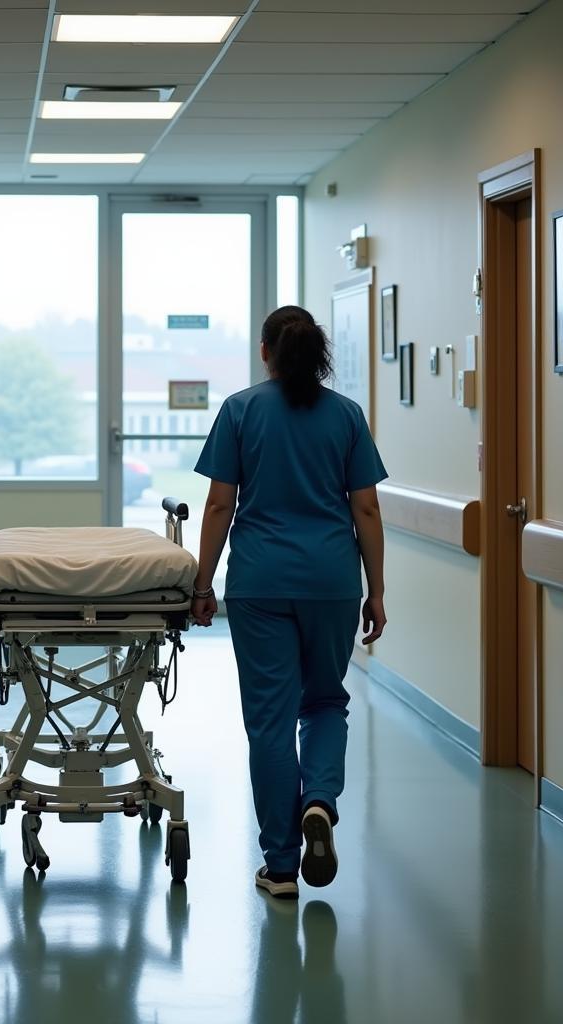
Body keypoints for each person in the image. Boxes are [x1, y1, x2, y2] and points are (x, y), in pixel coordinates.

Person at [191, 305, 387, 901]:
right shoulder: (346, 416)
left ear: (265, 352)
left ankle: (280, 867)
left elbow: (221, 505)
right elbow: (367, 510)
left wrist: (203, 584)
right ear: (319, 353)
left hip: (260, 584)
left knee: (270, 723)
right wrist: (377, 590)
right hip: (331, 581)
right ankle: (320, 803)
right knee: (326, 700)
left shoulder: (240, 410)